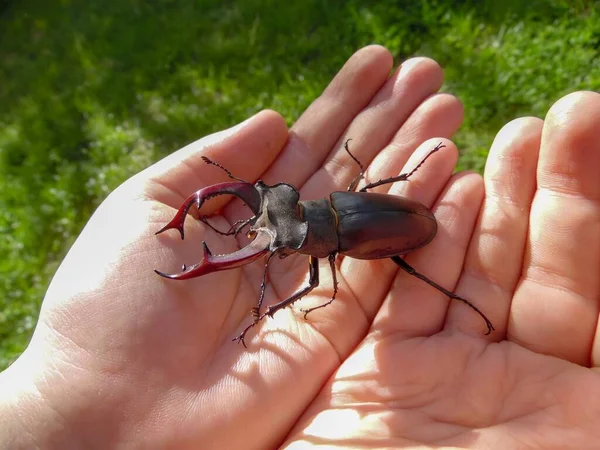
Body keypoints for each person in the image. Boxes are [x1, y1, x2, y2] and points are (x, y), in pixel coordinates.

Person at [1, 45, 599, 449]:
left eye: (278, 224)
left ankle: (452, 292)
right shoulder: (332, 210)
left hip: (402, 225)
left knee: (417, 275)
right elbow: (344, 208)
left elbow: (347, 251)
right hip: (375, 214)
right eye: (274, 226)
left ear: (311, 220)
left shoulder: (333, 242)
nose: (270, 228)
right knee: (377, 216)